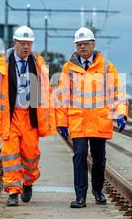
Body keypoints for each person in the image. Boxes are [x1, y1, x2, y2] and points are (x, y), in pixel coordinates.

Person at [0, 25, 56, 206]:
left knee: (31, 155)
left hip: (30, 118)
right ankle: (13, 192)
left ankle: (29, 181)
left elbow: (47, 91)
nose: (26, 47)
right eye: (22, 43)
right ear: (14, 43)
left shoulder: (39, 65)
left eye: (29, 44)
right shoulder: (1, 66)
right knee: (10, 154)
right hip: (10, 118)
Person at [55, 27, 128, 208]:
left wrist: (121, 113)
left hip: (99, 120)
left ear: (93, 44)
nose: (83, 47)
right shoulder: (68, 69)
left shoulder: (106, 67)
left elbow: (118, 93)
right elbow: (62, 97)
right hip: (78, 120)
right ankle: (80, 196)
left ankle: (97, 190)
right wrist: (61, 122)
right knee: (79, 156)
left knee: (99, 159)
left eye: (86, 44)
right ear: (75, 46)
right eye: (79, 44)